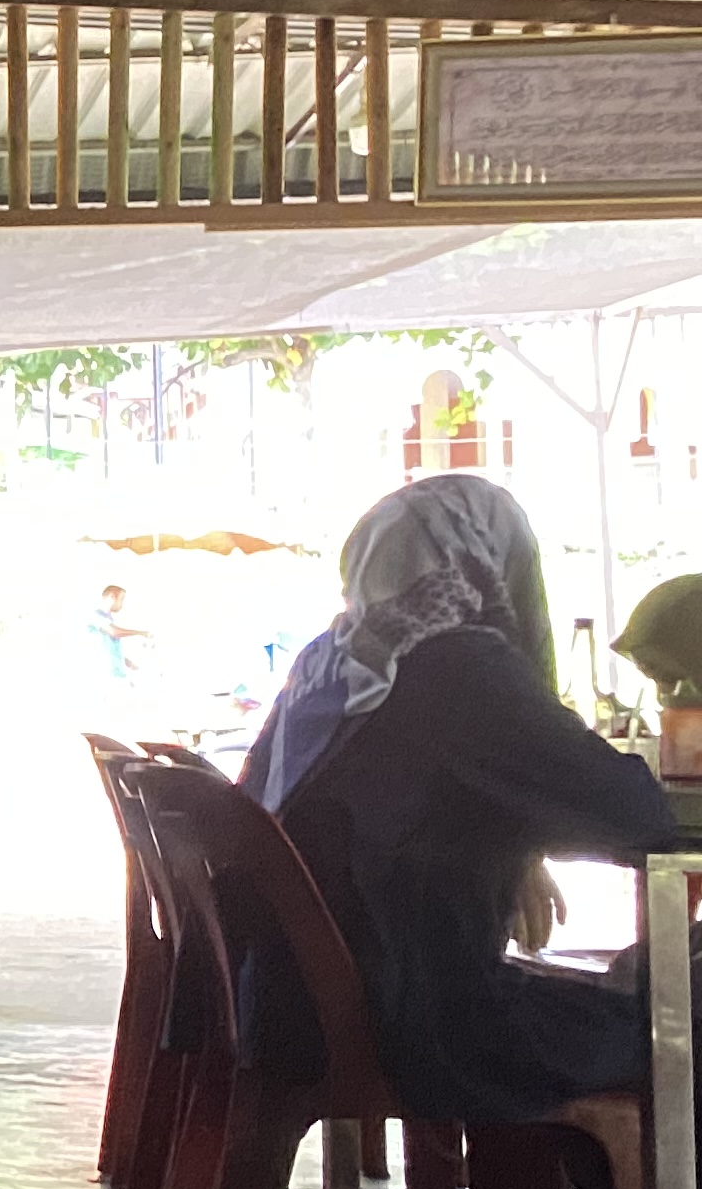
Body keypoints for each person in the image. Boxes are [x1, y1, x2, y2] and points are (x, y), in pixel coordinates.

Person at [245, 475, 679, 1123]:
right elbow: (635, 813)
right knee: (678, 1022)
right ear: (487, 559)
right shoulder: (455, 666)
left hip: (288, 1003)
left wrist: (518, 845)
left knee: (641, 985)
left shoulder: (335, 663)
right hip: (427, 1029)